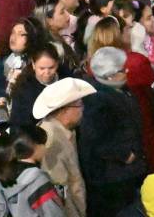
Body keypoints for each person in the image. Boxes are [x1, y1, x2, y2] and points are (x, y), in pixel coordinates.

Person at [79, 47, 147, 216]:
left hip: (126, 172)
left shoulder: (118, 89)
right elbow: (94, 139)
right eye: (122, 70)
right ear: (109, 75)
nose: (127, 71)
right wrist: (124, 154)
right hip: (113, 176)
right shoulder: (97, 100)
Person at [35, 77, 97, 217]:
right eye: (79, 105)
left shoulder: (68, 131)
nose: (83, 109)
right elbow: (61, 191)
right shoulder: (50, 139)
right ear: (65, 110)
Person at [10, 46, 62, 129]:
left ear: (57, 64)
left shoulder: (67, 79)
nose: (47, 72)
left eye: (51, 67)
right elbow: (17, 124)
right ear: (33, 65)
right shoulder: (23, 89)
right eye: (42, 68)